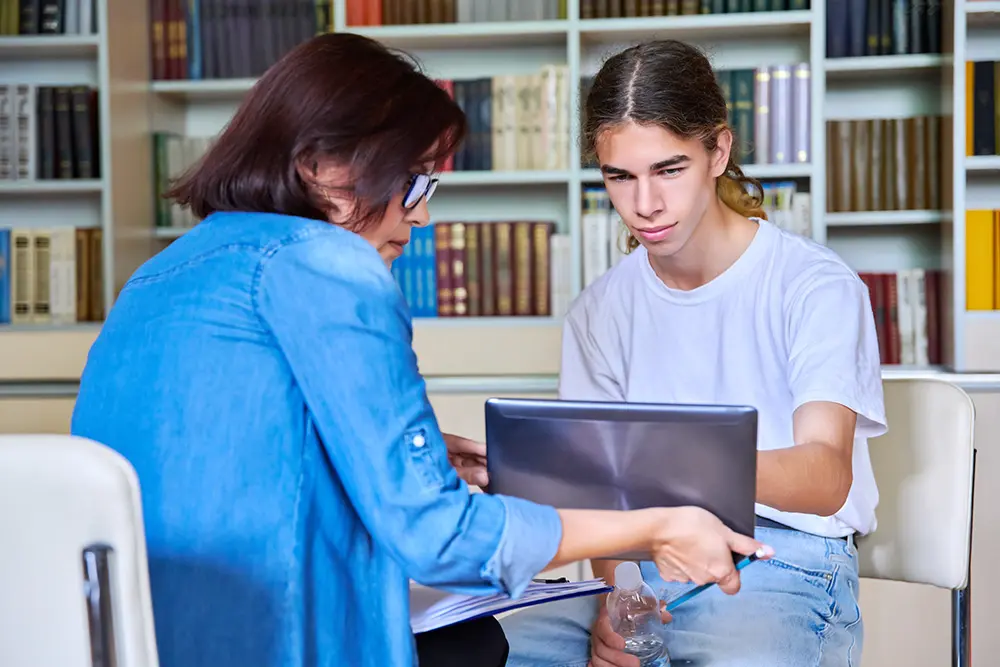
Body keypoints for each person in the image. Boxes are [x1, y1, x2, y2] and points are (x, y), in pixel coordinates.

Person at [68, 33, 770, 667]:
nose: (422, 213)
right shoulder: (330, 268)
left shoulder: (158, 275)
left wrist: (422, 450)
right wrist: (657, 526)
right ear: (320, 167)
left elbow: (227, 455)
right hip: (277, 639)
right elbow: (440, 537)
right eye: (412, 182)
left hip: (143, 643)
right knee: (481, 642)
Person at [499, 39, 888, 667]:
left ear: (719, 150)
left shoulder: (813, 284)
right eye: (619, 177)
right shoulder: (600, 310)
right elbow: (600, 502)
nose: (643, 205)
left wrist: (664, 460)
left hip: (783, 557)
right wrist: (620, 602)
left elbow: (825, 476)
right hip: (647, 559)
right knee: (481, 648)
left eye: (668, 169)